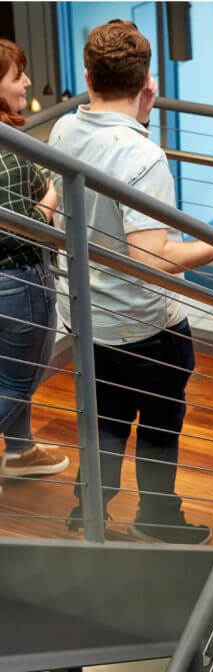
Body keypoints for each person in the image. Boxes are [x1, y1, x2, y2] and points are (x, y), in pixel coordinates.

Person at [48, 20, 213, 544]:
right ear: (148, 83)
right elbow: (154, 257)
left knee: (102, 423)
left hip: (86, 316)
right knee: (159, 425)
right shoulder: (142, 156)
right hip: (146, 327)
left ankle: (90, 513)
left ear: (88, 76)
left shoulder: (63, 131)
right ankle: (157, 517)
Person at [0, 39, 70, 489]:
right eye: (16, 76)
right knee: (19, 381)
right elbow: (24, 227)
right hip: (21, 282)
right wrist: (49, 199)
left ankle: (21, 451)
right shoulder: (8, 153)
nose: (27, 81)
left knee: (7, 372)